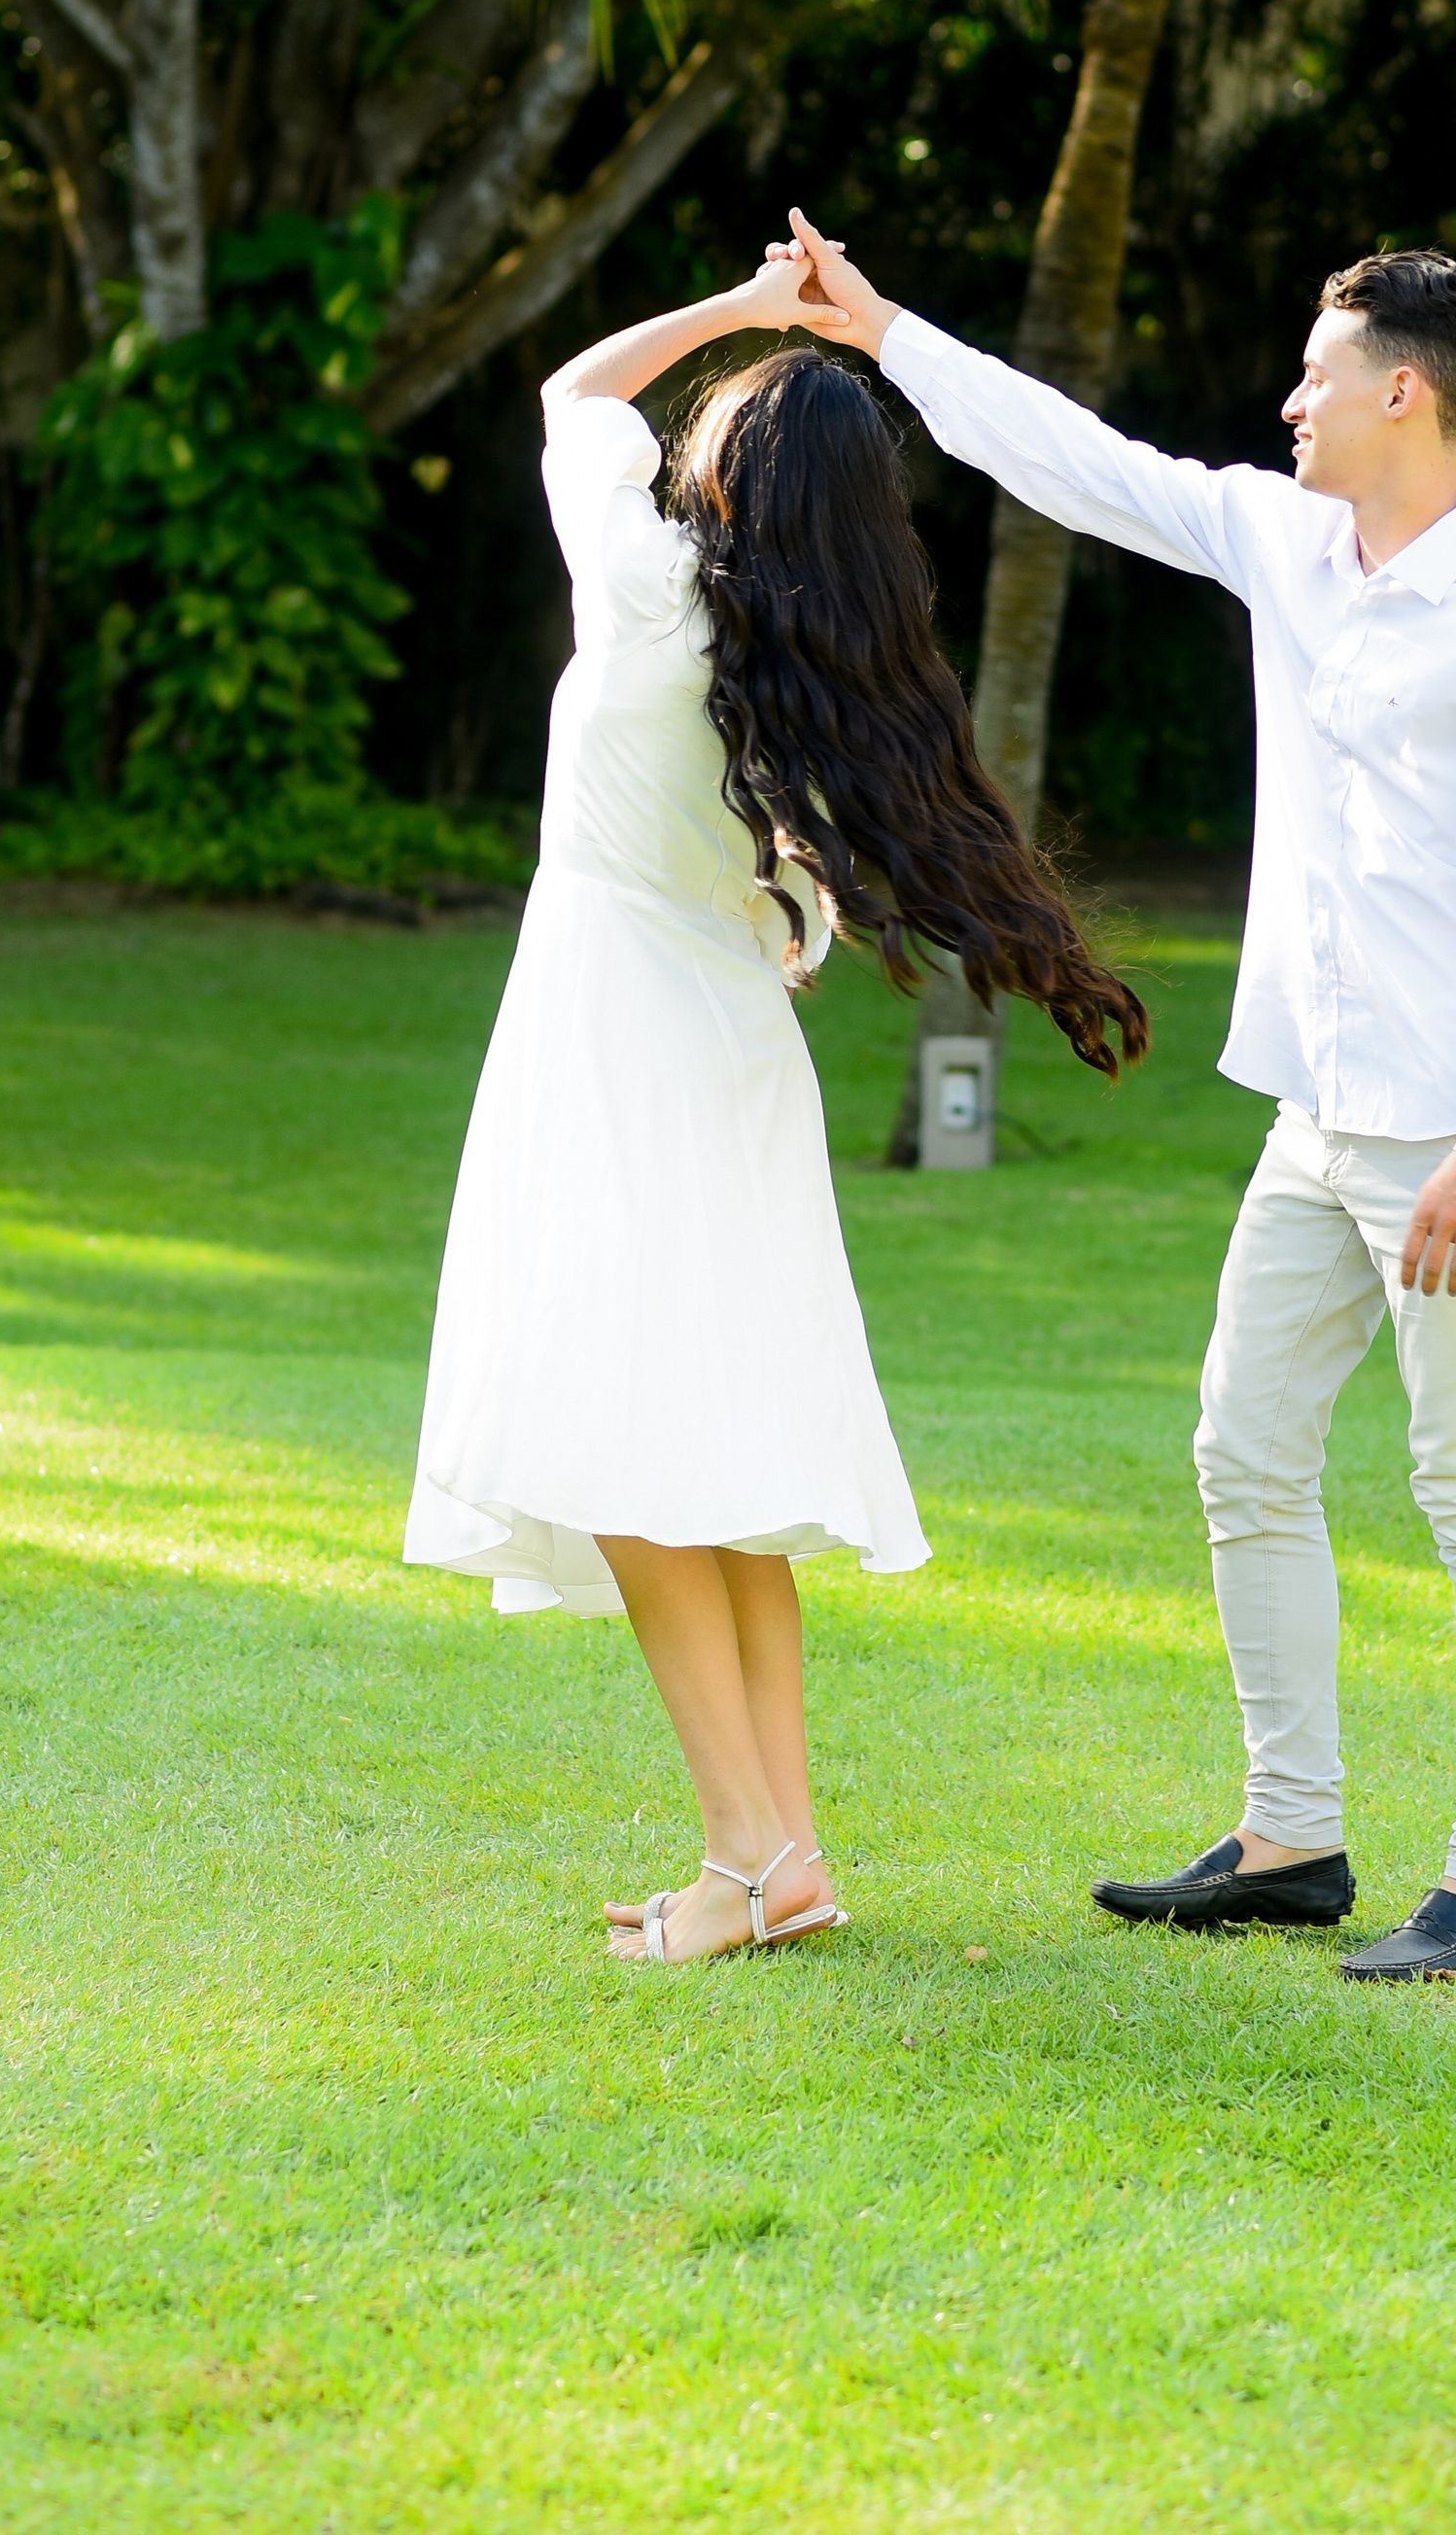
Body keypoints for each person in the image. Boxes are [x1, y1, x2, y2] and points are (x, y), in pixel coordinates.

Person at [786, 213, 1456, 1982]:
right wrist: (885, 336)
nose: (1288, 403)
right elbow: (1087, 468)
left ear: (1406, 394)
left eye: (1318, 376)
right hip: (1311, 1119)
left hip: (1449, 1140)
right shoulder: (1286, 540)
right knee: (1242, 1444)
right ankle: (1290, 1833)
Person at [403, 245, 1147, 1967]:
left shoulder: (655, 590)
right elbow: (797, 889)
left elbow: (574, 390)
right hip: (726, 1060)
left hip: (610, 1040)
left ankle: (748, 1858)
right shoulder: (819, 677)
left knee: (627, 1447)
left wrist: (747, 312)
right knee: (704, 1450)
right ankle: (780, 1850)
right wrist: (792, 909)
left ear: (727, 471)